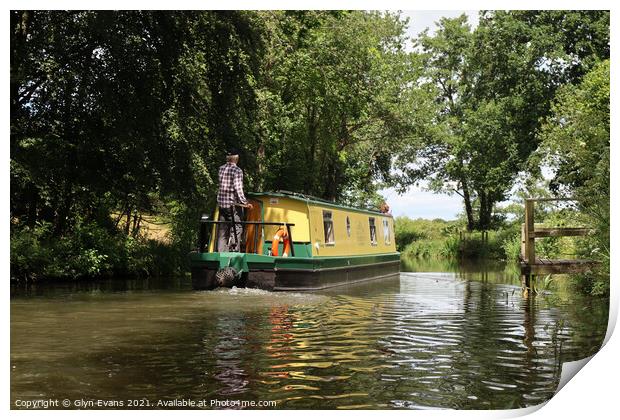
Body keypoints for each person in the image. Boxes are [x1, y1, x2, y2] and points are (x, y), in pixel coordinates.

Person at [216, 149, 253, 252]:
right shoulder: (237, 170)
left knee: (223, 231)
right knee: (237, 227)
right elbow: (238, 189)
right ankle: (234, 253)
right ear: (236, 159)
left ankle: (221, 254)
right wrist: (245, 203)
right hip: (233, 205)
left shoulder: (221, 169)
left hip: (222, 205)